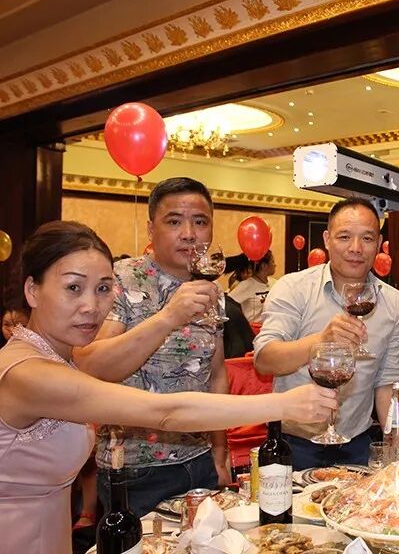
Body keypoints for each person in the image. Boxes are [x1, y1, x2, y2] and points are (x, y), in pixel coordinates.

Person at [0, 220, 337, 554]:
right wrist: (283, 404)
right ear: (32, 290)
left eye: (103, 289)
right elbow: (165, 412)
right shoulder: (26, 372)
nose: (91, 306)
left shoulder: (58, 358)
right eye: (73, 288)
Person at [74, 177, 230, 518]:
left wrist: (220, 451)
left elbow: (216, 374)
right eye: (174, 222)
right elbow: (90, 364)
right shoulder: (121, 278)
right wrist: (169, 316)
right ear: (150, 229)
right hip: (136, 469)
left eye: (200, 222)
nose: (189, 234)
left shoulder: (210, 289)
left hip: (199, 460)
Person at [254, 197, 399, 469]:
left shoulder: (393, 302)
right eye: (344, 237)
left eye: (367, 238)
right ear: (327, 239)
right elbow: (265, 360)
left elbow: (388, 384)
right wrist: (321, 341)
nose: (356, 248)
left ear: (379, 243)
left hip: (357, 444)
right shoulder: (294, 288)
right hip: (294, 443)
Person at [229, 249, 275, 323]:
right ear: (264, 266)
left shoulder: (275, 283)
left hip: (269, 327)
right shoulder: (246, 285)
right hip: (252, 328)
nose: (275, 265)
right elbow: (228, 304)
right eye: (272, 261)